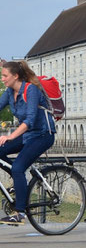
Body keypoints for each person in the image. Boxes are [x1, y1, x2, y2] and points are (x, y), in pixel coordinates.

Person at [0, 60, 56, 225]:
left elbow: (30, 120)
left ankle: (20, 213)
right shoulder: (10, 92)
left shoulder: (30, 90)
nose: (2, 79)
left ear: (15, 76)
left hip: (43, 135)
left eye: (5, 76)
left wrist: (10, 137)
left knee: (18, 166)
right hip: (27, 135)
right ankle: (20, 184)